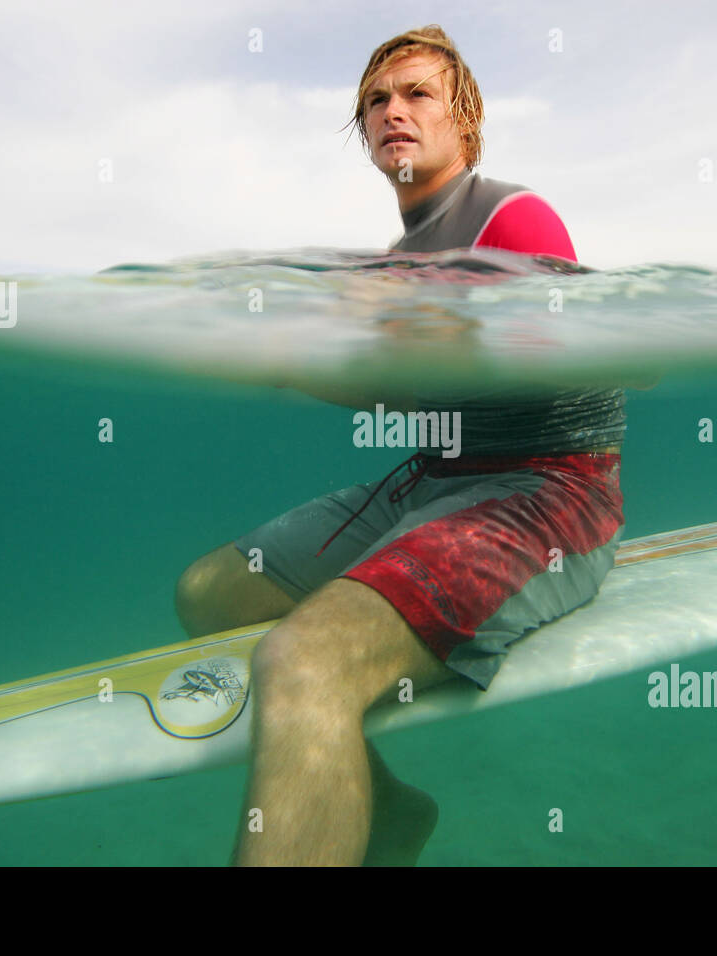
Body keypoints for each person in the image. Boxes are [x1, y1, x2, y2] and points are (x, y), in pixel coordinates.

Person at [175, 25, 630, 866]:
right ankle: (382, 808)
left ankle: (331, 717)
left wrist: (348, 339)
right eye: (376, 101)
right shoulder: (393, 260)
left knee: (302, 660)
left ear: (467, 118)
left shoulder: (514, 214)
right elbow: (409, 390)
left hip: (548, 489)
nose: (394, 110)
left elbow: (529, 364)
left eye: (418, 93)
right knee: (210, 594)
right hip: (438, 478)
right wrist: (283, 361)